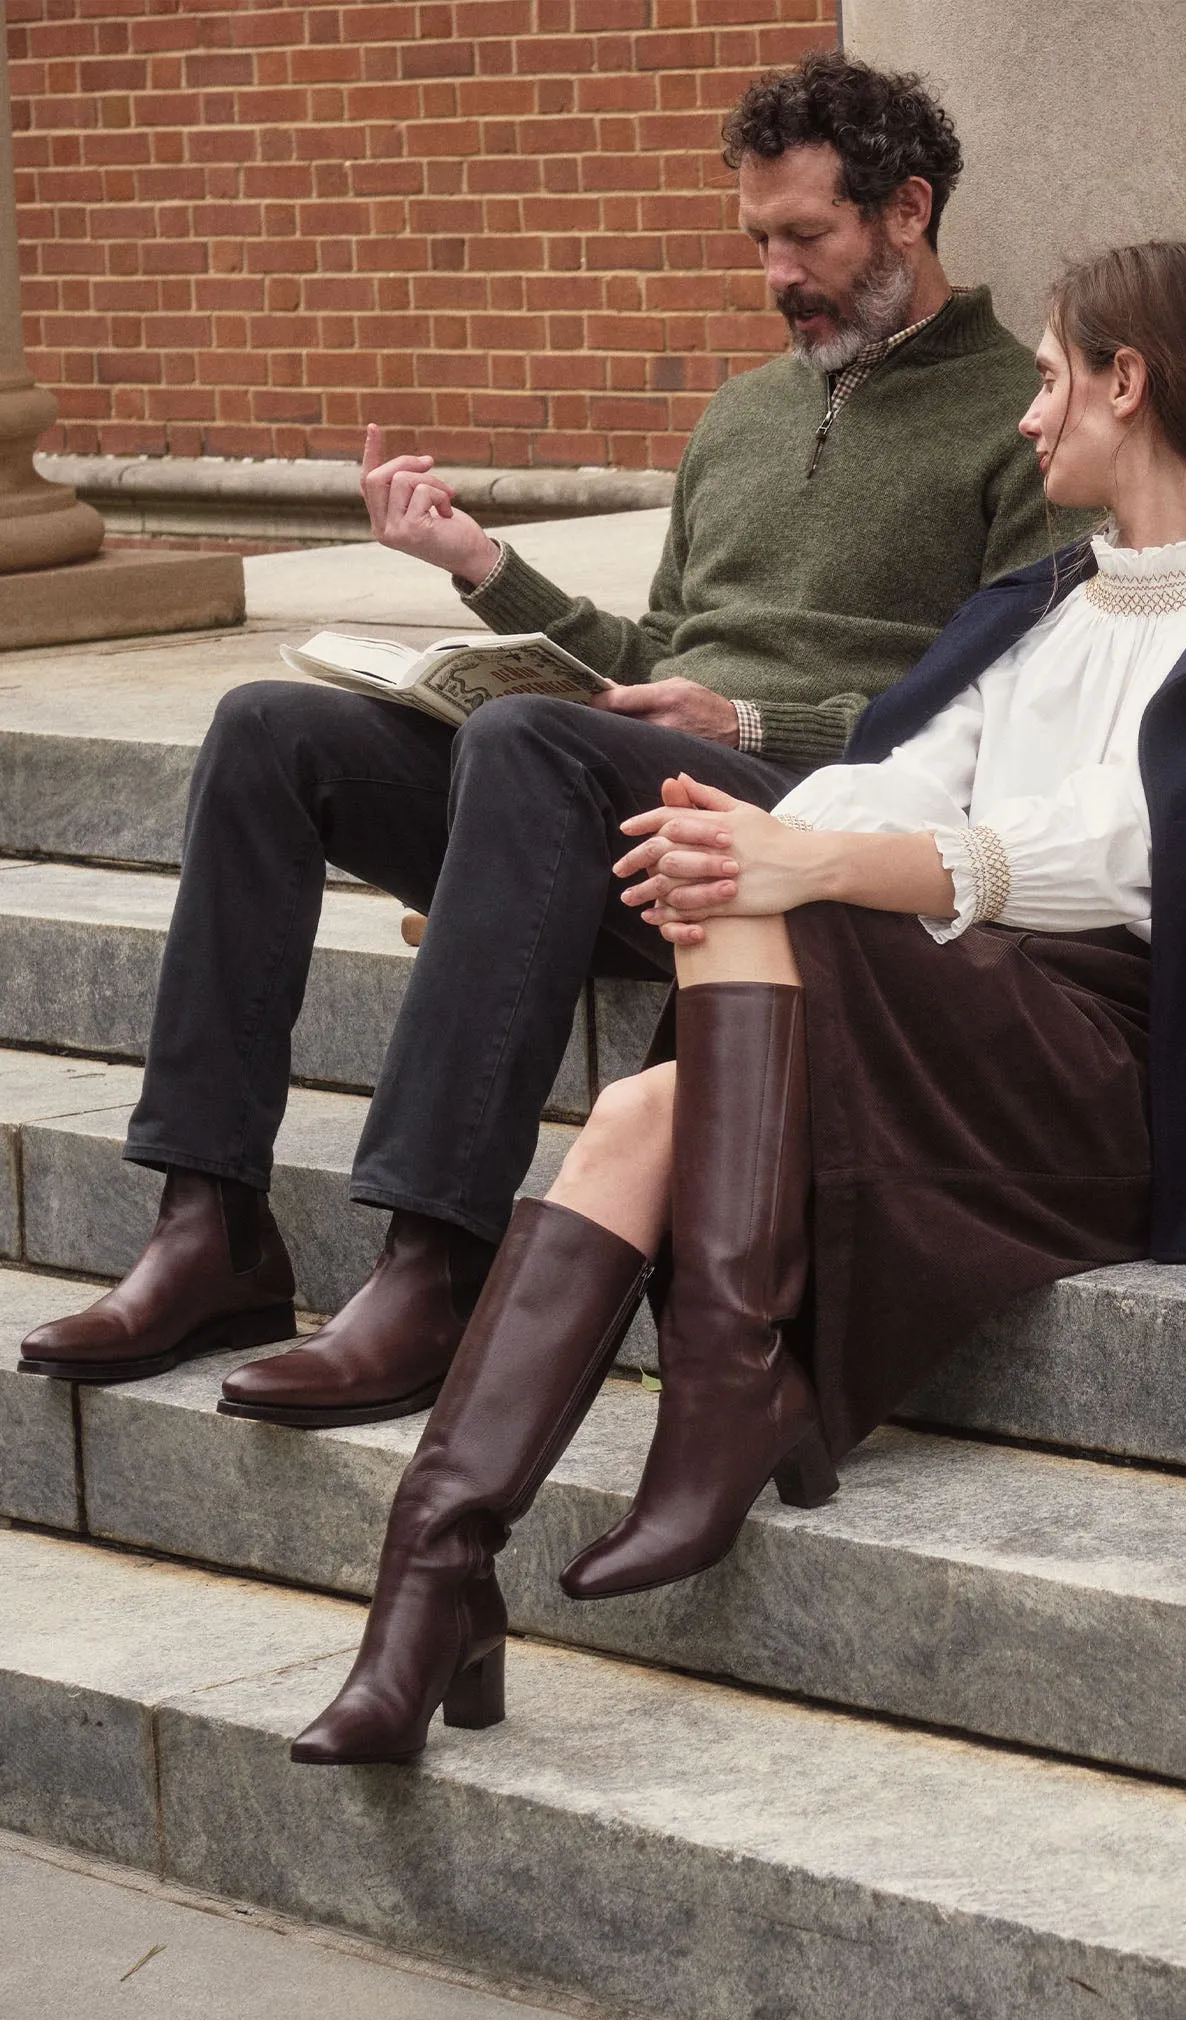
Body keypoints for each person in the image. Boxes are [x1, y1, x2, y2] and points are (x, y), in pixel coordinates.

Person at [288, 238, 1186, 1767]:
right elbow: (897, 773)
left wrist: (814, 860)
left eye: (1050, 380)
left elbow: (1136, 855)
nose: (1027, 415)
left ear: (1128, 382)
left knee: (778, 902)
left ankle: (717, 1392)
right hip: (960, 1013)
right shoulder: (1042, 607)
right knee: (648, 1096)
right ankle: (439, 1575)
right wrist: (761, 833)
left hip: (1120, 1065)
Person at [18, 52, 1064, 1423]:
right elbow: (654, 656)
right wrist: (479, 564)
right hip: (619, 801)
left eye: (805, 236)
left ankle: (436, 1259)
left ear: (908, 211)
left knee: (529, 744)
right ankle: (209, 1224)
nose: (776, 274)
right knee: (271, 728)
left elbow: (1015, 711)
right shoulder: (743, 415)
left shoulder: (1023, 422)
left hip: (805, 837)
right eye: (757, 240)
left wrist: (758, 720)